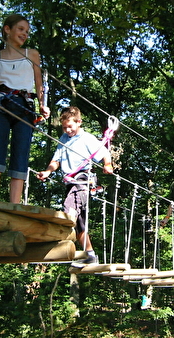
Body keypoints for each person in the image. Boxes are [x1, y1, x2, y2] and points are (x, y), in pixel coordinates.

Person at [0, 14, 50, 203]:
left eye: (27, 31)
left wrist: (42, 104)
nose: (25, 34)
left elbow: (39, 82)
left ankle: (14, 204)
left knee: (21, 152)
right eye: (21, 29)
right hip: (2, 105)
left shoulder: (32, 54)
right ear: (7, 29)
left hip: (25, 107)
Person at [37, 106, 113, 265]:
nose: (67, 130)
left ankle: (56, 242)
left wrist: (108, 165)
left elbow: (104, 153)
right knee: (79, 223)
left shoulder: (87, 138)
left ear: (79, 122)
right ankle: (90, 255)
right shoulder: (63, 139)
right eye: (64, 127)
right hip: (70, 182)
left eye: (70, 126)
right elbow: (55, 161)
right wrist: (48, 172)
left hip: (83, 179)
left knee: (69, 210)